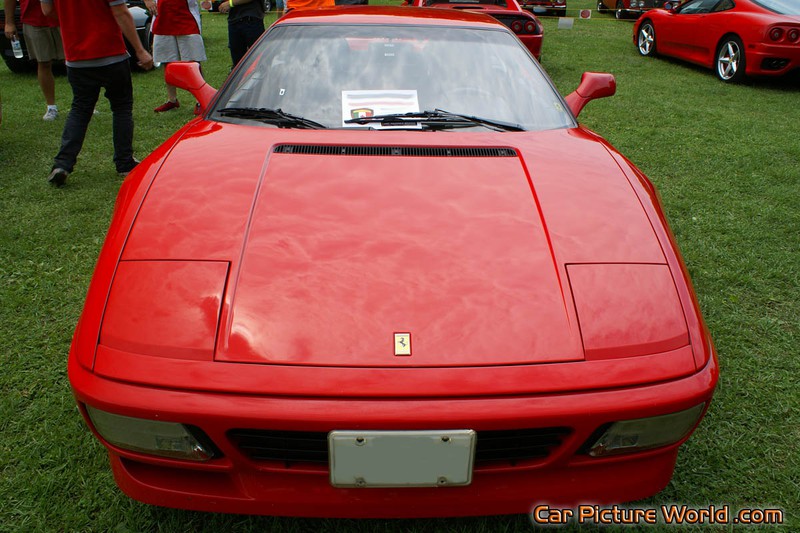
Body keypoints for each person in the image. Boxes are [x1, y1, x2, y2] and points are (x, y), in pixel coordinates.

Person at [41, 0, 153, 186]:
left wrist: (75, 23)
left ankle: (62, 164)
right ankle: (124, 162)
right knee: (121, 108)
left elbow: (47, 10)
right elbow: (121, 12)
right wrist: (140, 50)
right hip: (110, 53)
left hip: (77, 56)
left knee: (80, 109)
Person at [3, 0, 64, 120]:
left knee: (72, 62)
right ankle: (51, 107)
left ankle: (86, 103)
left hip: (63, 17)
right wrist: (9, 22)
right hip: (34, 19)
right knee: (43, 62)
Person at [144, 0, 207, 112]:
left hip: (186, 16)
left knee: (193, 62)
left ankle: (201, 100)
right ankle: (172, 100)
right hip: (163, 17)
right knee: (167, 61)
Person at [217, 0, 264, 67]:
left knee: (259, 61)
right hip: (235, 20)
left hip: (250, 20)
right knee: (238, 64)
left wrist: (230, 3)